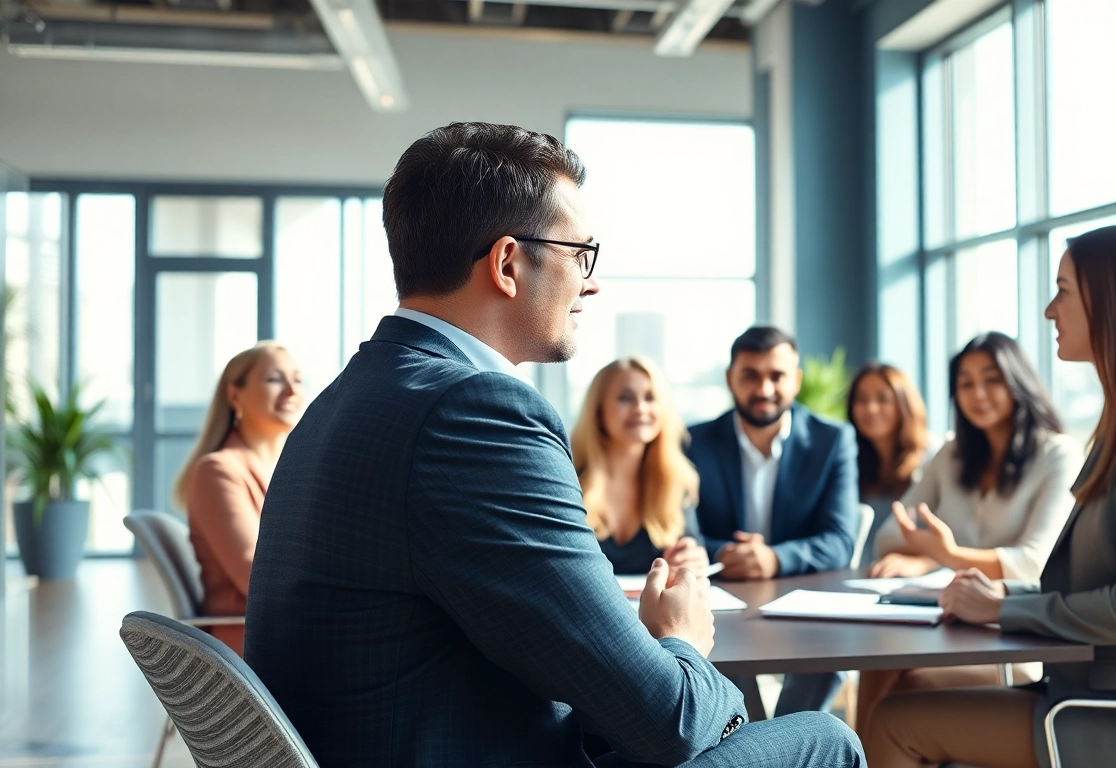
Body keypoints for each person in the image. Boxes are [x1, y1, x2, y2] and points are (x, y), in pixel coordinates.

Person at [245, 123, 864, 768]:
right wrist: (680, 641)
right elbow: (668, 723)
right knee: (824, 740)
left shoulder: (349, 396)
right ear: (508, 263)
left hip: (422, 734)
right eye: (580, 253)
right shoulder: (474, 415)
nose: (590, 283)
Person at [865, 221, 1116, 768]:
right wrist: (996, 597)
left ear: (1113, 300)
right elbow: (1099, 585)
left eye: (1064, 291)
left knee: (893, 724)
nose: (1050, 310)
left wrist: (1003, 606)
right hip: (1098, 691)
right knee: (903, 692)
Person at [856, 332, 1082, 739]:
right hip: (946, 622)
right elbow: (891, 535)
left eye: (992, 380)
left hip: (1011, 643)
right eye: (965, 383)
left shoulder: (1059, 455)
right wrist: (930, 556)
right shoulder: (952, 454)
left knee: (901, 695)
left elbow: (1033, 562)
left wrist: (949, 553)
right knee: (878, 660)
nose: (978, 393)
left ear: (1019, 382)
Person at [687, 325, 859, 717]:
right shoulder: (693, 442)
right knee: (714, 658)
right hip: (722, 601)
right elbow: (684, 533)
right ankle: (773, 748)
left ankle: (772, 747)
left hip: (805, 603)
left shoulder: (833, 441)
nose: (764, 388)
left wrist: (774, 559)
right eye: (750, 375)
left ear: (796, 380)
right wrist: (728, 553)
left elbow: (839, 539)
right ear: (731, 379)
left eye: (776, 376)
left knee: (827, 662)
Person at [174, 342, 304, 656]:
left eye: (298, 380)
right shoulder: (218, 472)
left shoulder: (287, 469)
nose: (292, 391)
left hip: (290, 629)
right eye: (275, 379)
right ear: (235, 396)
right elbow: (256, 578)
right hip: (254, 645)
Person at [573, 356, 709, 576]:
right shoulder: (569, 480)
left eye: (650, 398)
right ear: (598, 411)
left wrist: (694, 560)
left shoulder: (675, 480)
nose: (640, 408)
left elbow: (690, 552)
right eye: (625, 398)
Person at [846, 363, 928, 569]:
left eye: (883, 399)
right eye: (861, 400)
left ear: (904, 403)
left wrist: (919, 564)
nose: (871, 409)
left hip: (911, 578)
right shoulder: (848, 461)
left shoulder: (933, 460)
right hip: (858, 577)